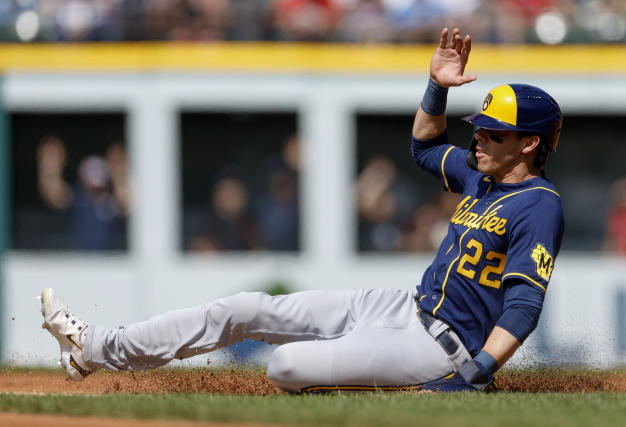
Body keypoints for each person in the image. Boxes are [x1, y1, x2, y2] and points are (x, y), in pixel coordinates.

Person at [40, 27, 564, 392]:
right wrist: (436, 88)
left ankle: (399, 387)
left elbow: (523, 308)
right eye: (480, 130)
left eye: (494, 133)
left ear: (528, 145)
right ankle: (94, 349)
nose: (479, 140)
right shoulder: (481, 176)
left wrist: (475, 376)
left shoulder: (539, 206)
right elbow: (425, 149)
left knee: (285, 367)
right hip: (402, 306)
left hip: (443, 348)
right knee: (243, 308)